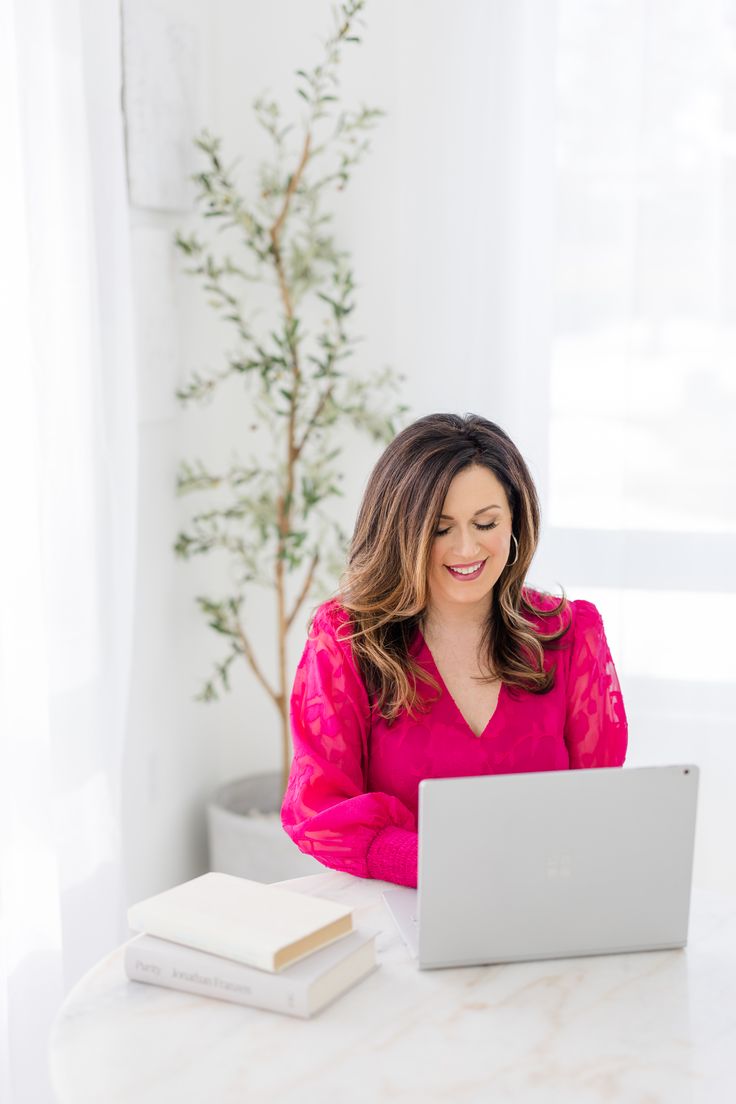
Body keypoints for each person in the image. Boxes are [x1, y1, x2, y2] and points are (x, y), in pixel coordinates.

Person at [281, 413, 628, 888]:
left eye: (485, 522)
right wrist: (442, 866)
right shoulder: (345, 637)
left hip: (542, 901)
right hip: (403, 910)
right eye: (441, 529)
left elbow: (600, 801)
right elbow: (319, 810)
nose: (467, 548)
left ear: (514, 521)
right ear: (401, 530)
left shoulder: (572, 633)